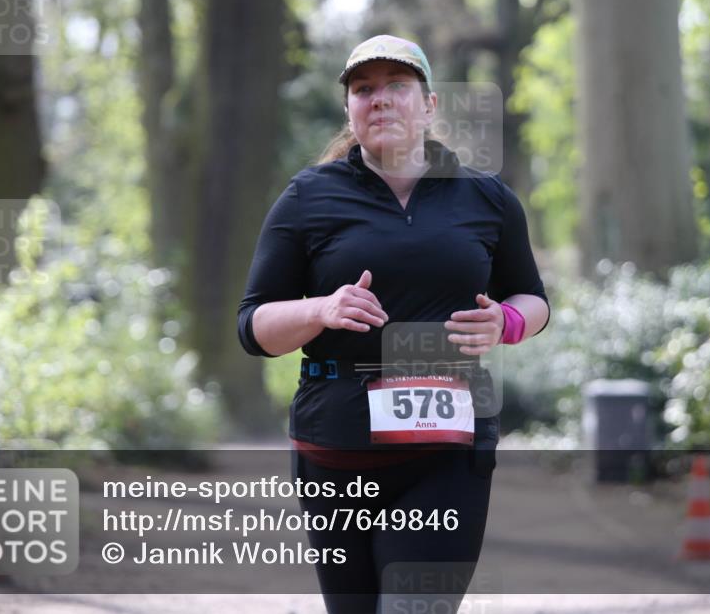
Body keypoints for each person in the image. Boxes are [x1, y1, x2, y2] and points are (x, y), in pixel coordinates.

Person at [236, 34, 550, 614]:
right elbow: (253, 325)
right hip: (336, 458)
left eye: (397, 86)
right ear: (350, 110)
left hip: (446, 455)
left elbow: (534, 298)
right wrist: (319, 309)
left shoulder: (487, 199)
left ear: (429, 105)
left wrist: (505, 322)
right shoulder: (308, 198)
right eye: (363, 89)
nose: (379, 99)